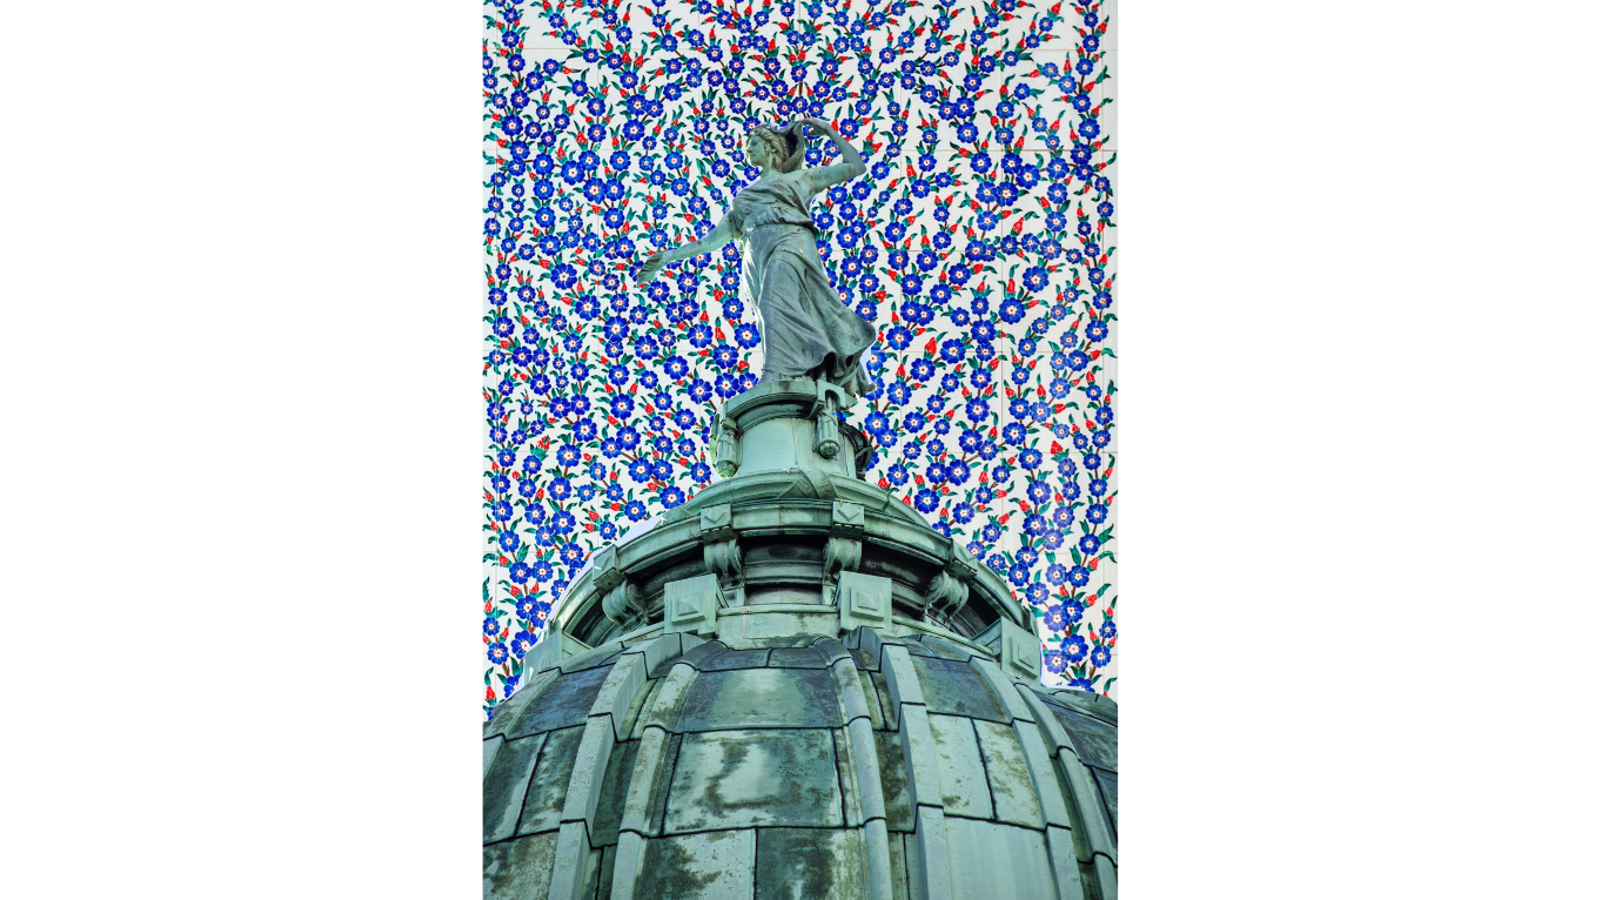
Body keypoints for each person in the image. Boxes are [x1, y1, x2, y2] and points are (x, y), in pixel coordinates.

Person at [638, 117, 876, 398]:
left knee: (772, 301)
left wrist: (828, 130)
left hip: (791, 242)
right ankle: (800, 367)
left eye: (753, 143)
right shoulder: (744, 198)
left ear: (771, 147)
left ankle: (775, 373)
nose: (748, 149)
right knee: (768, 313)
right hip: (755, 256)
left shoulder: (799, 178)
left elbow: (855, 167)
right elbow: (710, 241)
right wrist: (666, 257)